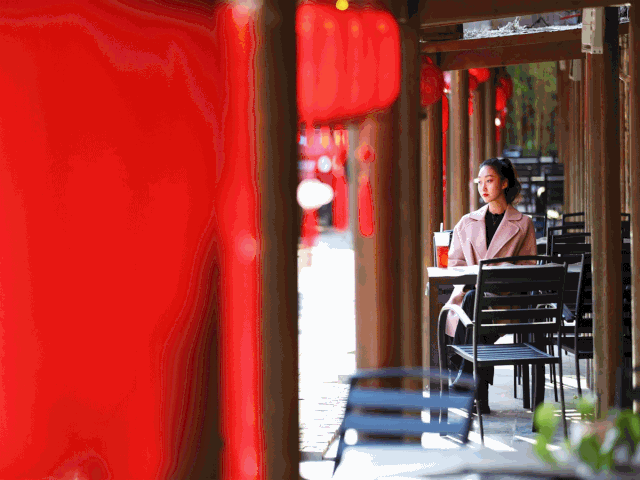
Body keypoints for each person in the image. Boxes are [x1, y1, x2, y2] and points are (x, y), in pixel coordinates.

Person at [445, 157, 537, 413]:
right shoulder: (467, 222)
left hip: (505, 305)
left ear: (504, 183)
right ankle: (477, 396)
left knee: (474, 305)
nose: (483, 187)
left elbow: (528, 270)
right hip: (472, 303)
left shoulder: (523, 224)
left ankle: (465, 382)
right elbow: (455, 264)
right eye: (480, 182)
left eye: (489, 181)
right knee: (474, 305)